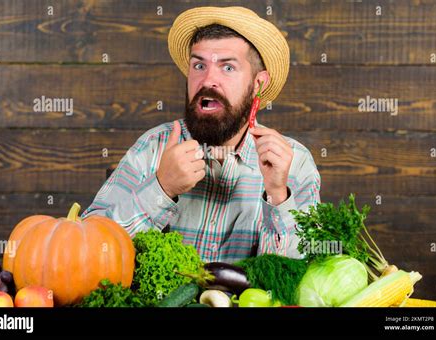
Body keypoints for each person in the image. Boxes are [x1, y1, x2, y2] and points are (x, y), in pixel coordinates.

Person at [81, 7, 321, 263]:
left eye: (227, 68)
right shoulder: (153, 147)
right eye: (199, 65)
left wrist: (277, 195)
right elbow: (88, 247)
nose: (208, 81)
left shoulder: (294, 163)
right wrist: (161, 189)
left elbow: (305, 274)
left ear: (258, 84)